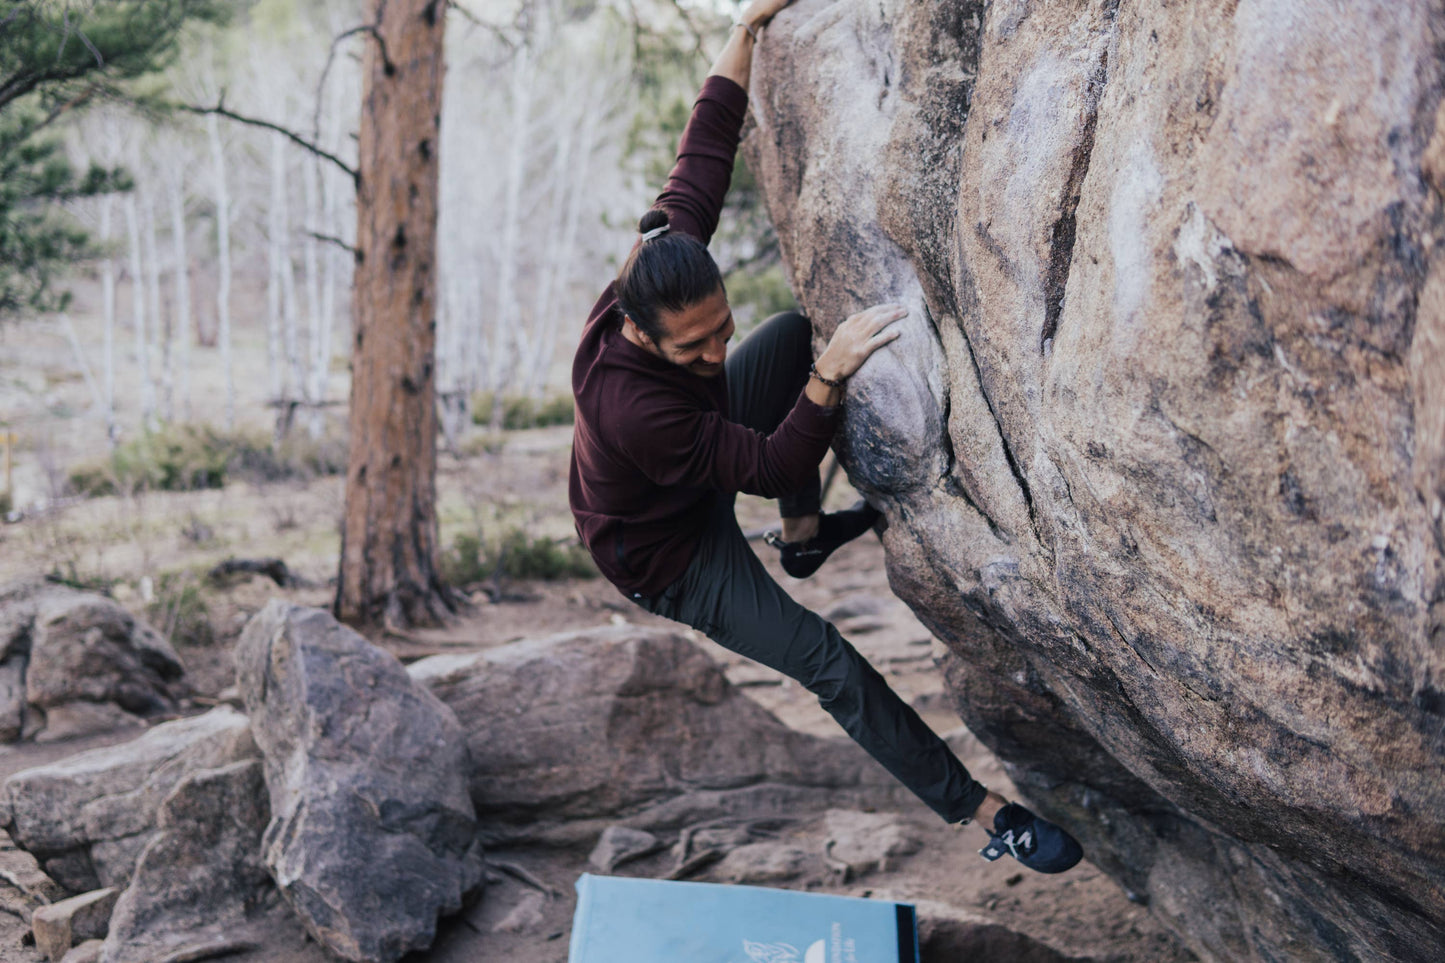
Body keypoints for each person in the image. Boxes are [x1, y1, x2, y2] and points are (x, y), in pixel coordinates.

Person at [567, 0, 1082, 875]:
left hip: (691, 453)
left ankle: (805, 543)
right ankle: (985, 809)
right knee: (825, 659)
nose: (713, 351)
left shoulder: (662, 263)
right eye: (693, 346)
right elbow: (771, 463)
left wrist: (745, 29)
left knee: (789, 331)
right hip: (667, 550)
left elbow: (702, 153)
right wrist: (829, 375)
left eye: (716, 328)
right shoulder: (631, 407)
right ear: (639, 331)